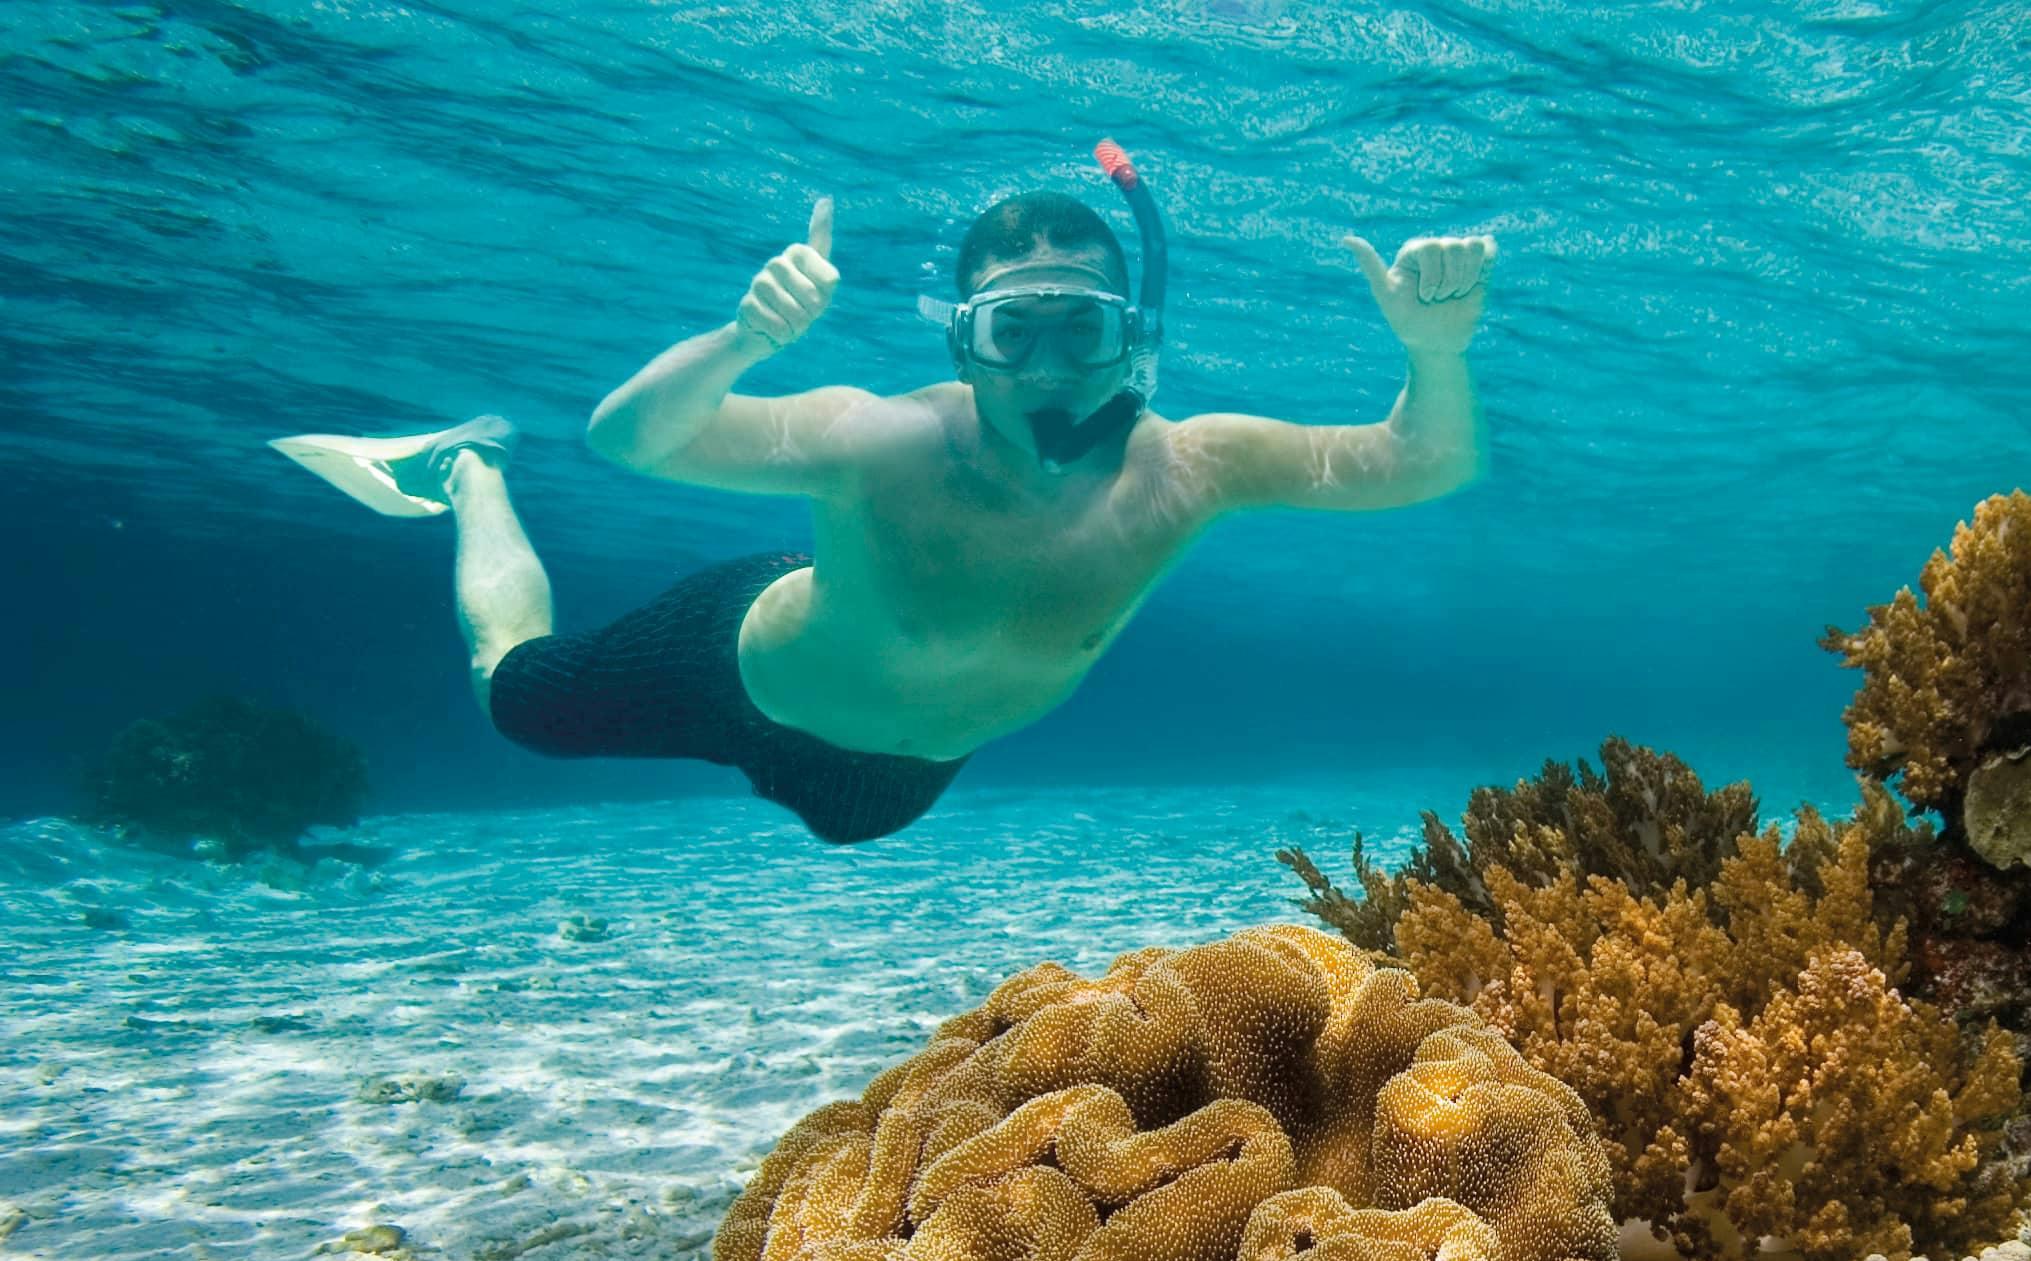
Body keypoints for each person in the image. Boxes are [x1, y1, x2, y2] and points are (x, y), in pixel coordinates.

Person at [272, 146, 1493, 843]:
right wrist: (744, 340)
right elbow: (631, 439)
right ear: (962, 343)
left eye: (1082, 329)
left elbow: (1421, 461)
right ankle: (470, 467)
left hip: (896, 784)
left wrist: (1434, 354)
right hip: (734, 673)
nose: (1049, 368)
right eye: (1012, 332)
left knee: (851, 827)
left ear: (1134, 339)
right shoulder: (878, 438)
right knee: (516, 698)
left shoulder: (1191, 466)